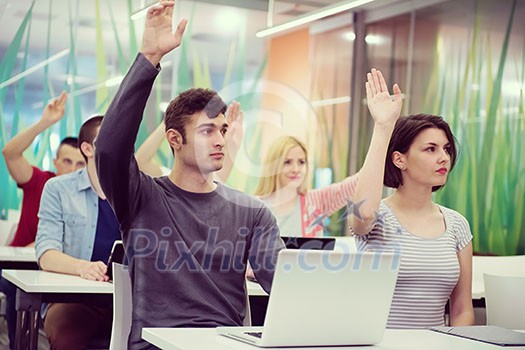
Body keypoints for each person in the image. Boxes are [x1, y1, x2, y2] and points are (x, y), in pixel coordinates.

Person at [95, 2, 283, 349]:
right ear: (175, 139)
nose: (220, 140)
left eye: (224, 130)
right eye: (207, 131)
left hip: (224, 343)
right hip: (158, 344)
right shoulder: (140, 196)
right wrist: (148, 59)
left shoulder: (252, 213)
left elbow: (287, 285)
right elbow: (109, 149)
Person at [348, 68, 474, 328]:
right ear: (399, 159)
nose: (444, 157)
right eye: (430, 149)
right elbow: (363, 215)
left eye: (446, 149)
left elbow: (461, 308)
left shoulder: (457, 224)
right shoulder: (376, 218)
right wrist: (383, 127)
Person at [0, 91, 85, 349]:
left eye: (80, 163)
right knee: (20, 289)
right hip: (19, 269)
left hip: (60, 273)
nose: (72, 169)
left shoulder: (91, 196)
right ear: (56, 162)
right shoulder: (40, 181)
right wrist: (45, 122)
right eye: (67, 161)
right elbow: (10, 153)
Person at [35, 116, 121, 349]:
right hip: (74, 300)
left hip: (125, 301)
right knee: (67, 333)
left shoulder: (133, 191)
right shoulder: (58, 189)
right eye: (113, 135)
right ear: (87, 148)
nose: (121, 141)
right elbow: (46, 254)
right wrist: (83, 267)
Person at [254, 136, 358, 237]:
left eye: (301, 162)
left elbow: (352, 185)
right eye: (287, 162)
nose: (296, 169)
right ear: (274, 166)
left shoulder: (316, 201)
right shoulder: (254, 207)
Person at [135, 106, 242, 182]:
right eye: (206, 131)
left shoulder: (210, 185)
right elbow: (141, 162)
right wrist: (171, 120)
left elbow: (219, 178)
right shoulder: (167, 183)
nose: (219, 142)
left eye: (222, 132)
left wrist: (232, 146)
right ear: (175, 139)